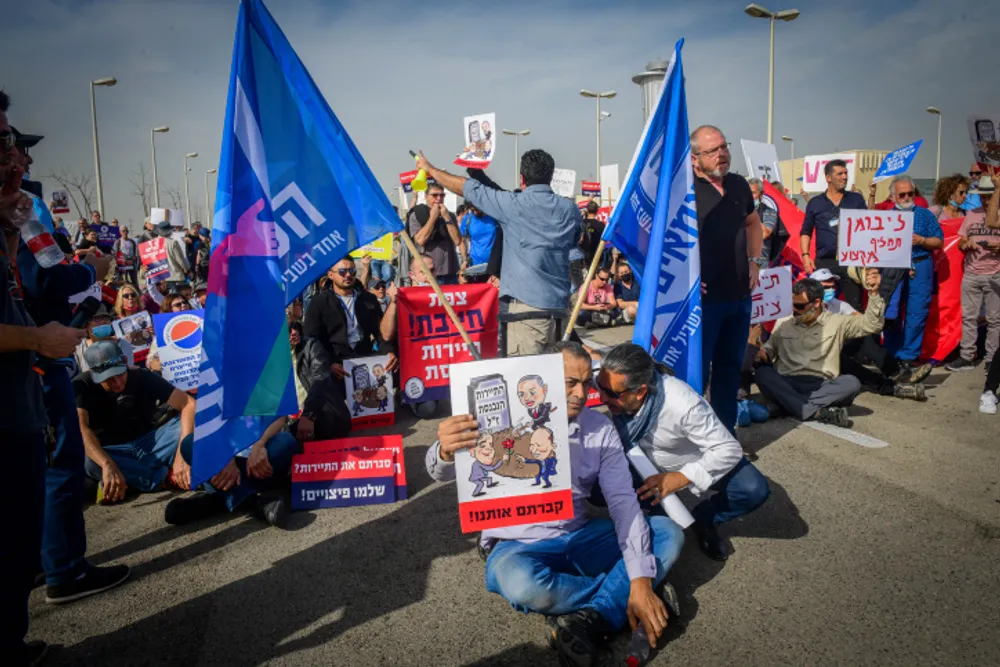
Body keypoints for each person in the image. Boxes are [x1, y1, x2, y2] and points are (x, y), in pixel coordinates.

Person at [427, 341, 684, 666]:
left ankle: (590, 615)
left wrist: (640, 578)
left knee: (667, 533)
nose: (581, 393)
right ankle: (619, 601)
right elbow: (437, 471)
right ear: (541, 380)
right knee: (522, 585)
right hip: (516, 546)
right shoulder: (498, 422)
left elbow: (622, 504)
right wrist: (445, 450)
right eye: (569, 383)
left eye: (586, 383)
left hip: (578, 536)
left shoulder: (599, 429)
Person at [597, 344, 769, 562]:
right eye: (598, 387)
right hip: (641, 462)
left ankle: (705, 518)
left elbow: (728, 448)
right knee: (597, 487)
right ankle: (650, 509)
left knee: (752, 489)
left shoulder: (683, 405)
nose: (601, 399)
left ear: (640, 391)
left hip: (686, 463)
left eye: (610, 393)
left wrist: (681, 477)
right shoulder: (616, 385)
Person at [416, 148, 580, 356]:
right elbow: (575, 241)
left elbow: (465, 188)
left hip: (526, 313)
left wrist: (429, 169)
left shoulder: (512, 205)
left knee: (527, 381)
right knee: (556, 379)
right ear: (550, 176)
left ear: (522, 178)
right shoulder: (570, 209)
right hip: (560, 309)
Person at [691, 125, 764, 435]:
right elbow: (663, 241)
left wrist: (754, 262)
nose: (721, 154)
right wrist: (688, 281)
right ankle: (692, 441)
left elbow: (753, 222)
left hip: (738, 298)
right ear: (695, 159)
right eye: (712, 150)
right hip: (703, 303)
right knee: (697, 377)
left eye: (723, 147)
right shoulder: (683, 189)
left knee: (729, 371)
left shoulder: (738, 185)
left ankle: (725, 438)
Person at [755, 272, 885, 428]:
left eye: (800, 306)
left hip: (821, 384)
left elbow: (872, 325)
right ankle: (815, 412)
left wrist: (874, 293)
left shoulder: (837, 322)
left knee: (852, 383)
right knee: (763, 374)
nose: (794, 310)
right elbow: (770, 350)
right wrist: (762, 354)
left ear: (816, 303)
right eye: (792, 304)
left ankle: (787, 405)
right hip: (788, 380)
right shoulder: (784, 321)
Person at [880, 175, 943, 377]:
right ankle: (892, 355)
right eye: (902, 194)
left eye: (910, 193)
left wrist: (922, 240)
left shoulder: (925, 215)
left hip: (920, 263)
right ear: (893, 196)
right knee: (891, 312)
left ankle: (908, 357)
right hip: (893, 267)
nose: (907, 197)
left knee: (917, 312)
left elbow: (939, 241)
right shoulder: (885, 218)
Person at [303, 255, 397, 377]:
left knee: (395, 369)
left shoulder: (368, 299)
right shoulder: (319, 302)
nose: (348, 275)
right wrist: (329, 363)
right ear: (331, 275)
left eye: (352, 271)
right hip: (336, 361)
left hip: (365, 357)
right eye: (342, 272)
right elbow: (312, 338)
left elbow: (381, 332)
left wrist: (388, 351)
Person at [948, 174, 1000, 372]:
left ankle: (992, 358)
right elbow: (961, 240)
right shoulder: (972, 214)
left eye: (990, 195)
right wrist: (966, 243)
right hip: (971, 273)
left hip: (995, 273)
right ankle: (967, 356)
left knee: (995, 319)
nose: (986, 199)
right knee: (968, 317)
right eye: (983, 196)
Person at [800, 160, 868, 305]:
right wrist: (805, 255)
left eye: (846, 173)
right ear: (828, 178)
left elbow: (868, 227)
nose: (844, 177)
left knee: (854, 305)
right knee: (823, 304)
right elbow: (806, 231)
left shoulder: (856, 200)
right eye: (840, 174)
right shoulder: (815, 203)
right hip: (825, 262)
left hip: (851, 262)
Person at [407, 183, 465, 285]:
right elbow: (420, 240)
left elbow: (457, 241)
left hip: (450, 272)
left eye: (442, 195)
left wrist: (446, 217)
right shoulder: (417, 214)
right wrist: (433, 217)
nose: (439, 198)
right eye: (434, 195)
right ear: (426, 197)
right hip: (429, 274)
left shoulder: (449, 215)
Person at [748, 177, 778, 264]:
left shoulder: (769, 212)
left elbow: (765, 233)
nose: (749, 196)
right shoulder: (739, 211)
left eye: (753, 193)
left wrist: (752, 212)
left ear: (761, 194)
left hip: (760, 263)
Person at [459, 203, 497, 270]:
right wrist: (465, 260)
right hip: (474, 265)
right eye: (472, 210)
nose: (475, 213)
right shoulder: (467, 219)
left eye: (477, 209)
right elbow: (461, 241)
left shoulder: (494, 217)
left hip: (494, 265)